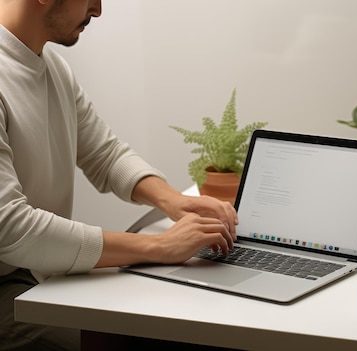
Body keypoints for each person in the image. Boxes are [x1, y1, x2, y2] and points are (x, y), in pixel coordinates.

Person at [0, 1, 239, 349]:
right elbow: (12, 229)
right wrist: (158, 246)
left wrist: (176, 202)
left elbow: (105, 154)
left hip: (35, 273)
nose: (97, 10)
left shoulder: (53, 68)